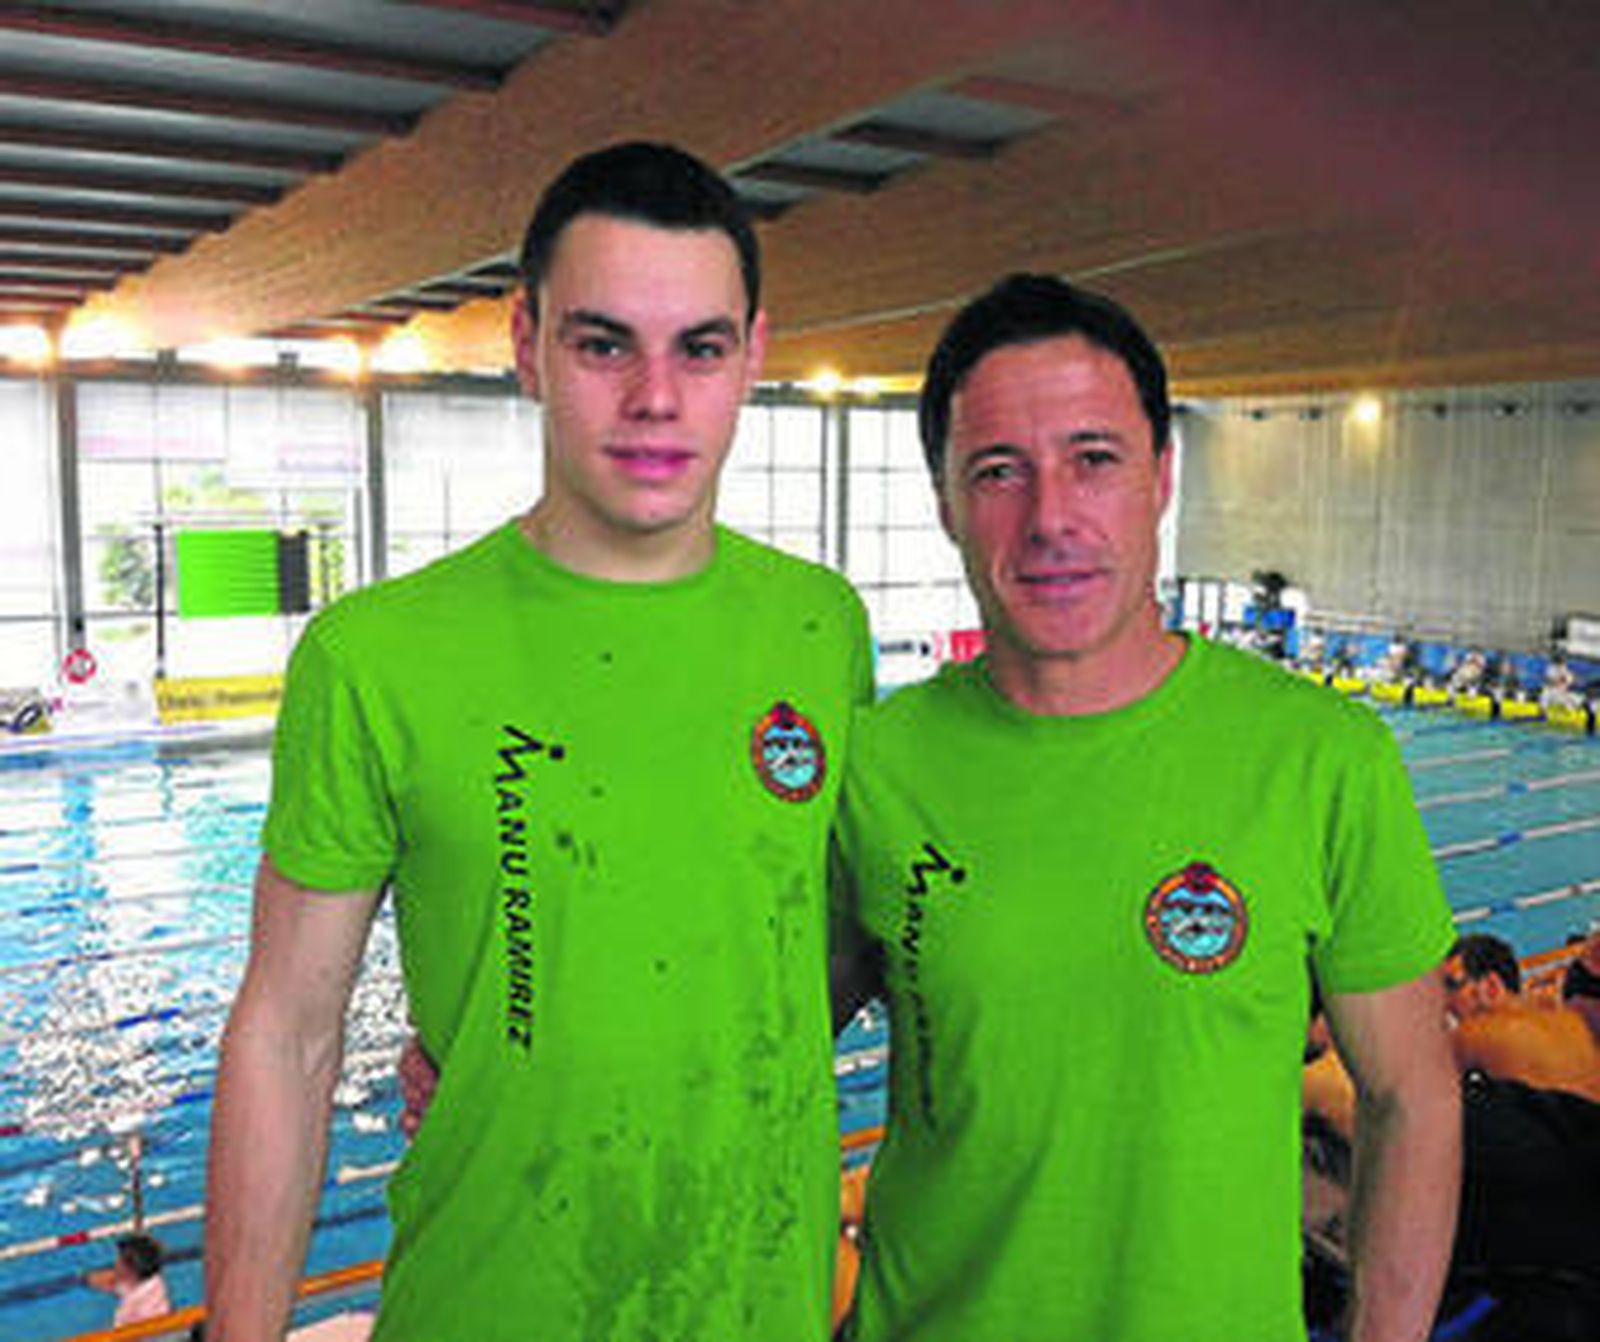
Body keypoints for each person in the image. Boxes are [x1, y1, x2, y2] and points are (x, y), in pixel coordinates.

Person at [205, 142, 872, 1342]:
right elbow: (286, 1032)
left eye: (700, 348)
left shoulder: (822, 628)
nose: (656, 397)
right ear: (526, 344)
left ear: (753, 355)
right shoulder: (375, 655)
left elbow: (821, 946)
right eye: (603, 344)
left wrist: (581, 1058)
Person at [830, 274, 1462, 1342]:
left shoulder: (1322, 758)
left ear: (1161, 476)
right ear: (944, 501)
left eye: (1094, 458)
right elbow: (754, 1051)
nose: (1050, 518)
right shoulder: (874, 767)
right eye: (998, 471)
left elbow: (1413, 1097)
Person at [1446, 933, 1600, 1101]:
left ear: (1491, 987)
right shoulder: (1566, 1028)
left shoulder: (1501, 1045)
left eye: (1452, 986)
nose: (1445, 1001)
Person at [87, 1232, 171, 1327]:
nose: (115, 1262)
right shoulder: (154, 1279)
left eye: (119, 1259)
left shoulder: (131, 1311)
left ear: (130, 1270)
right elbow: (108, 1281)